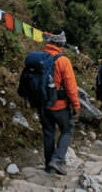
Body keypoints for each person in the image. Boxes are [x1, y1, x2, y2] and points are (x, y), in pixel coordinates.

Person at [21, 32, 79, 176]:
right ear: (61, 44)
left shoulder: (40, 59)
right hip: (58, 105)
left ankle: (48, 165)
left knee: (48, 134)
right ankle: (57, 159)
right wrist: (76, 106)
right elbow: (71, 87)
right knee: (68, 129)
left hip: (42, 104)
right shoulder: (63, 60)